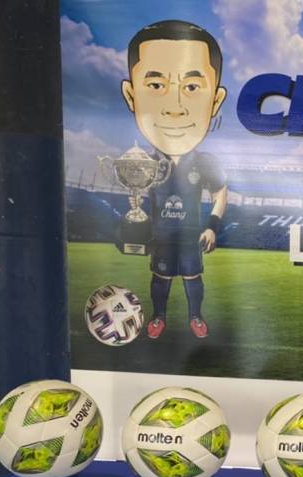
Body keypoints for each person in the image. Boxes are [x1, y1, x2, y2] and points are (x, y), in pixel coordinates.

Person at [121, 19, 228, 339]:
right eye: (156, 86)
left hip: (191, 235)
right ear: (131, 96)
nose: (175, 108)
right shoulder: (147, 163)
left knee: (193, 277)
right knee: (161, 277)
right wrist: (135, 207)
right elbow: (139, 193)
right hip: (162, 236)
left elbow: (221, 192)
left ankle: (196, 317)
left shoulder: (205, 162)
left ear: (215, 101)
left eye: (192, 87)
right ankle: (158, 318)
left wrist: (212, 226)